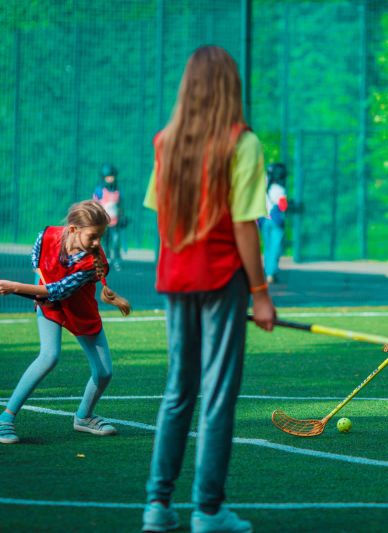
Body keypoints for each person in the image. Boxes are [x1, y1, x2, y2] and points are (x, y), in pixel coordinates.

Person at [141, 45, 275, 533]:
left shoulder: (166, 140)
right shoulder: (243, 143)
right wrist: (260, 292)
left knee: (179, 389)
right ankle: (209, 511)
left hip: (176, 278)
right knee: (216, 393)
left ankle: (158, 506)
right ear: (229, 87)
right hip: (222, 278)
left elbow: (161, 214)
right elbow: (245, 226)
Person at [0, 199, 131, 445]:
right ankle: (4, 420)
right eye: (93, 236)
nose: (97, 243)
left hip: (78, 309)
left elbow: (59, 290)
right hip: (49, 305)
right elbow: (36, 257)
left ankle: (83, 418)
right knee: (49, 356)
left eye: (101, 237)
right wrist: (37, 282)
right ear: (73, 230)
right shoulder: (47, 235)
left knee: (105, 371)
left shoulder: (90, 262)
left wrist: (16, 287)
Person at [260, 162, 289, 283]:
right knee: (276, 247)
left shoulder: (264, 187)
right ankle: (271, 272)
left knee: (267, 247)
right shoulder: (280, 189)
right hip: (276, 221)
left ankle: (267, 271)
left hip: (263, 220)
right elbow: (283, 206)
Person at [93, 164, 124, 271]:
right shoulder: (100, 191)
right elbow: (95, 204)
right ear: (103, 178)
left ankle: (116, 260)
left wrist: (122, 217)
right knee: (105, 242)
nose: (110, 179)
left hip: (115, 222)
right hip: (104, 222)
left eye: (112, 176)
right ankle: (106, 259)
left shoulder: (117, 191)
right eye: (108, 177)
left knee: (116, 241)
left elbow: (120, 206)